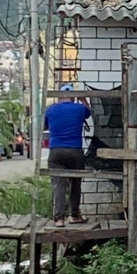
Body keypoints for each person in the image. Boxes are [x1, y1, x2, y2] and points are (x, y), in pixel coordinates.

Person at [43, 86, 92, 221]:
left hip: (56, 151)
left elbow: (45, 126)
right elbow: (89, 113)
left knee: (59, 185)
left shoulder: (51, 109)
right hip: (75, 151)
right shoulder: (79, 108)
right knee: (75, 184)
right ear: (73, 97)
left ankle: (59, 219)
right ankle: (75, 215)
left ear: (59, 97)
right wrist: (83, 100)